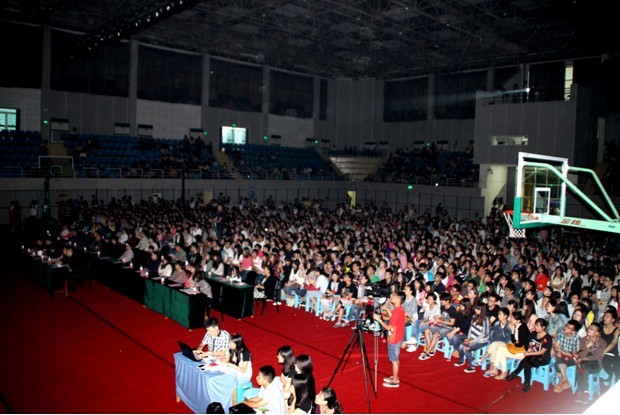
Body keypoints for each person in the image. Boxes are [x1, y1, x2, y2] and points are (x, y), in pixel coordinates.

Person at [506, 318, 553, 393]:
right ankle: (526, 383)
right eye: (535, 325)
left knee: (527, 361)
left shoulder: (547, 338)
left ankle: (516, 373)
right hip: (532, 356)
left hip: (542, 358)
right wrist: (529, 349)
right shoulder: (534, 333)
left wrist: (530, 353)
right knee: (528, 361)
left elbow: (542, 352)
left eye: (538, 326)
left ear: (543, 327)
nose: (536, 327)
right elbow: (530, 343)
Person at [373, 290, 406, 388]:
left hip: (394, 338)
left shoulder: (396, 312)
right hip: (399, 336)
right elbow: (394, 320)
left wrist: (378, 320)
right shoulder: (400, 309)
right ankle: (395, 376)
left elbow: (389, 328)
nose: (392, 297)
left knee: (394, 359)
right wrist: (388, 310)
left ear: (398, 300)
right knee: (396, 358)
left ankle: (395, 381)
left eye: (394, 296)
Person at [573, 323, 608, 403]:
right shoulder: (583, 340)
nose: (588, 330)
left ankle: (581, 391)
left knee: (582, 367)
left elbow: (597, 356)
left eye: (592, 329)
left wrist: (583, 358)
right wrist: (587, 347)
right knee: (582, 367)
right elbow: (581, 354)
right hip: (583, 363)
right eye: (589, 328)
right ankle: (585, 391)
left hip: (595, 364)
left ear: (597, 333)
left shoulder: (602, 342)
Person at [552, 319, 582, 393]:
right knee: (558, 358)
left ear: (573, 331)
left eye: (569, 328)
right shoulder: (561, 334)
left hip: (572, 358)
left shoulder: (577, 338)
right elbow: (555, 347)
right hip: (562, 356)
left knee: (558, 362)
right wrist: (559, 351)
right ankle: (565, 381)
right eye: (566, 326)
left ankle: (561, 382)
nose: (565, 328)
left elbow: (576, 355)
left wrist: (563, 352)